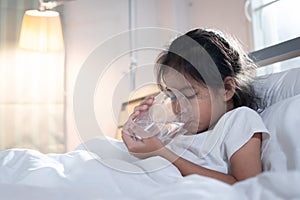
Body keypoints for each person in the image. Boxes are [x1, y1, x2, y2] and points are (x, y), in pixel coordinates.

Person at [121, 28, 269, 185]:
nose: (178, 107)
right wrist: (146, 128)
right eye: (172, 96)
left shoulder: (239, 120)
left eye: (189, 95)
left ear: (226, 89)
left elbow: (249, 186)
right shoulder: (181, 131)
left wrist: (162, 153)